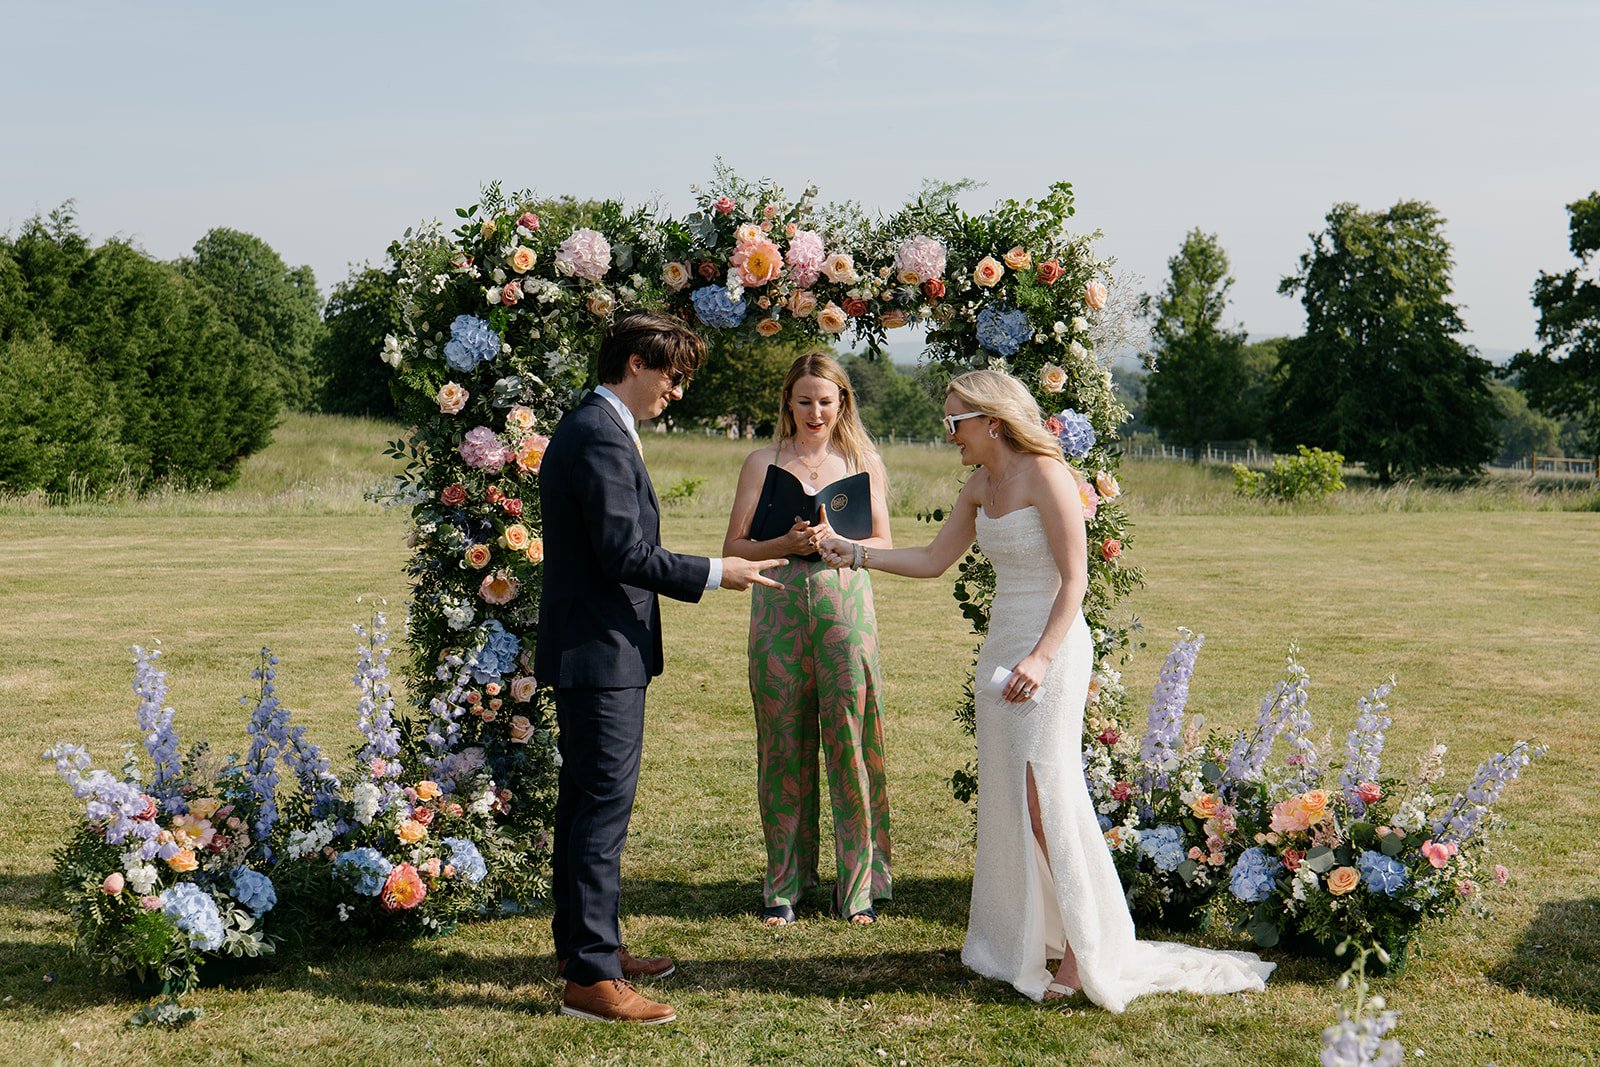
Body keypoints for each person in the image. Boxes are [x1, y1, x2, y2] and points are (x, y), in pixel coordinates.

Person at [819, 369, 1273, 1012]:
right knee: (1011, 794)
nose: (949, 435)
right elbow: (930, 559)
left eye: (955, 422)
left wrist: (1041, 655)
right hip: (1003, 647)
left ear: (992, 422)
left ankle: (1083, 954)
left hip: (1051, 650)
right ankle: (1032, 938)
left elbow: (1075, 581)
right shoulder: (980, 485)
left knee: (1045, 795)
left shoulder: (1049, 477)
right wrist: (852, 552)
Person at [536, 311, 784, 1024]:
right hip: (598, 651)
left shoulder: (598, 426)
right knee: (600, 813)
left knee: (585, 804)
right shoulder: (596, 435)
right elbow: (622, 554)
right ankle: (590, 978)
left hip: (596, 646)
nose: (677, 392)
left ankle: (589, 949)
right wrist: (717, 570)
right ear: (637, 363)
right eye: (673, 377)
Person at [723, 353, 894, 927]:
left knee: (850, 740)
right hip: (777, 609)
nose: (815, 411)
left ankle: (859, 889)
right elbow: (737, 547)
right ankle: (784, 885)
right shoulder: (761, 461)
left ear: (842, 402)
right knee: (781, 745)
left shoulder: (863, 461)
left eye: (826, 400)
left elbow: (885, 540)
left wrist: (835, 537)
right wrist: (787, 542)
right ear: (787, 404)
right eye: (804, 400)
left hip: (846, 611)